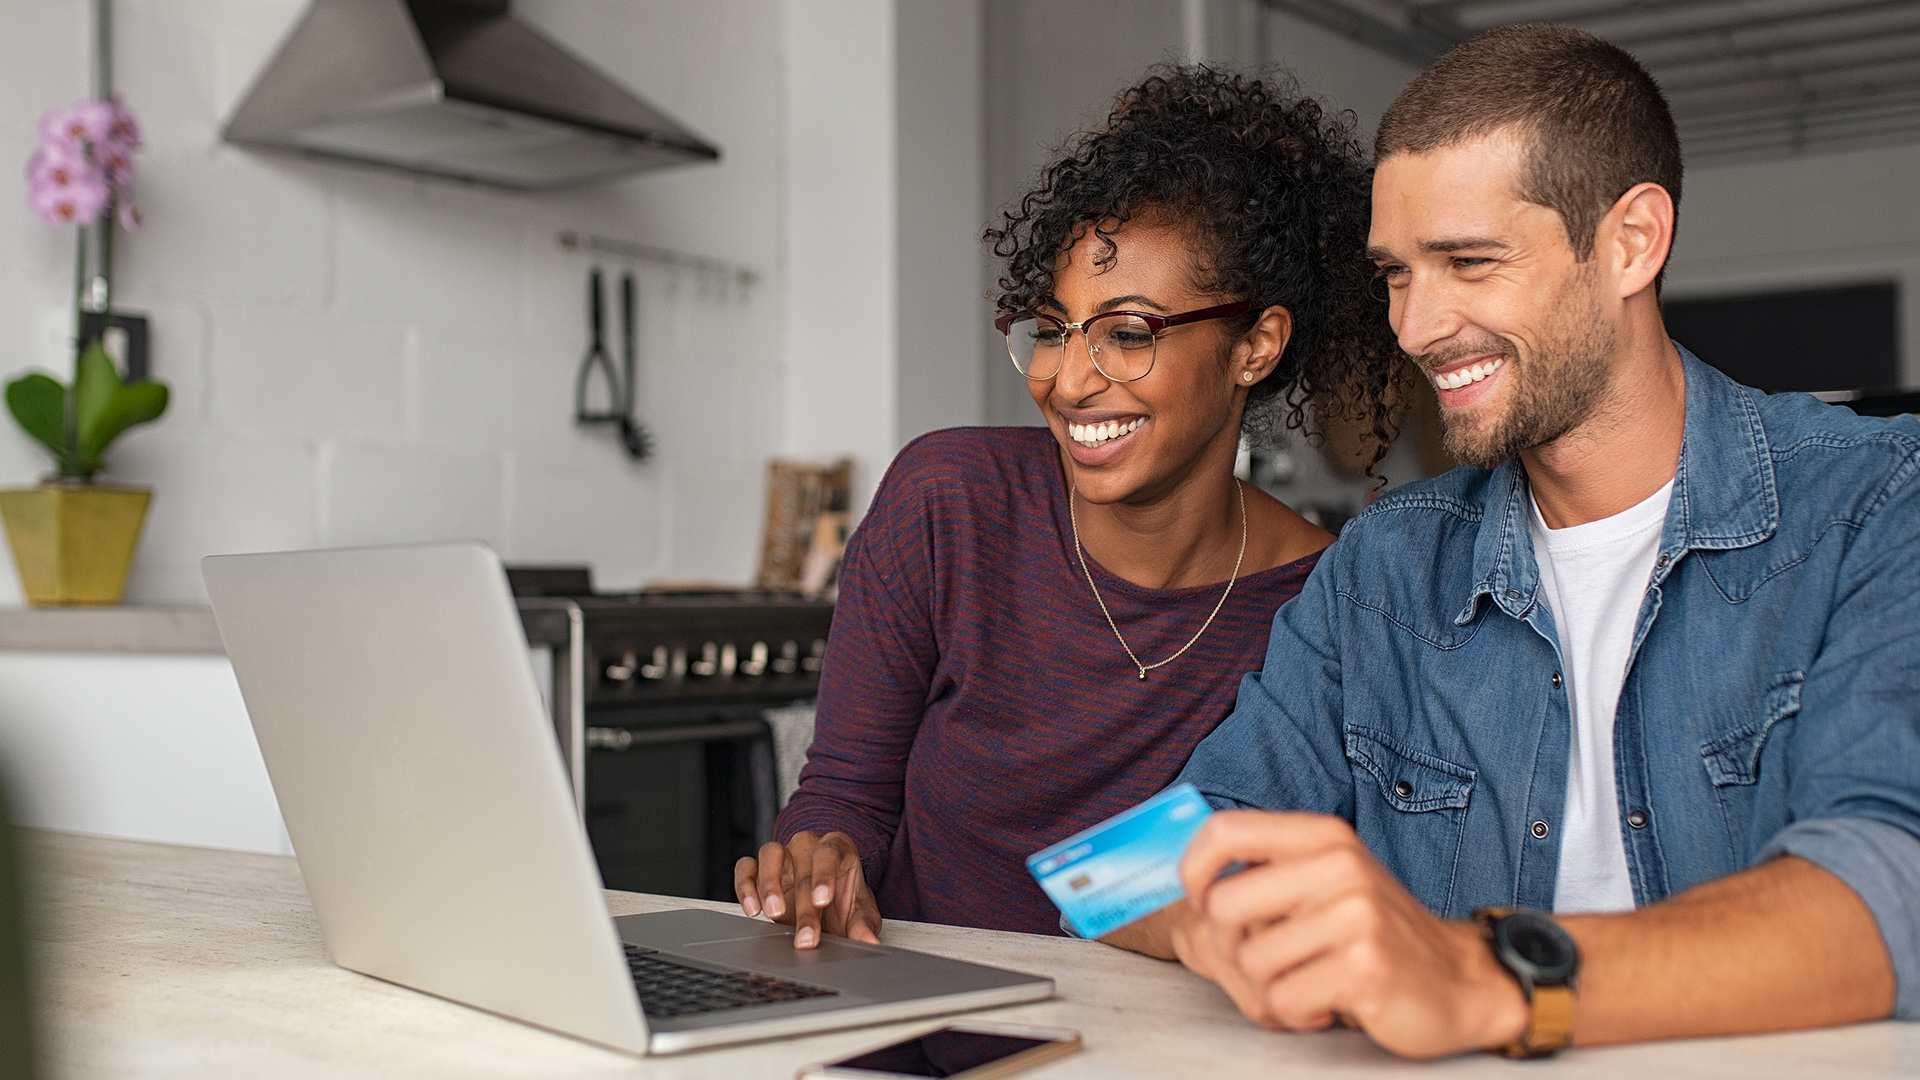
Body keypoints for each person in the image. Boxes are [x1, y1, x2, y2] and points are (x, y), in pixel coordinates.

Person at [1110, 23, 1920, 1059]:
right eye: (1397, 272)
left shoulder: (1880, 503)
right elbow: (1123, 870)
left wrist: (1481, 974)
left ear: (1631, 242)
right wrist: (1235, 920)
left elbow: (1891, 886)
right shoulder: (1383, 568)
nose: (1415, 325)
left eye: (1468, 261)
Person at [734, 66, 1403, 946]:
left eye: (1129, 334)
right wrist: (817, 866)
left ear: (1256, 346)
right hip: (896, 1039)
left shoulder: (1323, 606)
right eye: (1053, 329)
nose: (1070, 380)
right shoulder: (949, 504)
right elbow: (844, 795)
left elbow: (1192, 878)